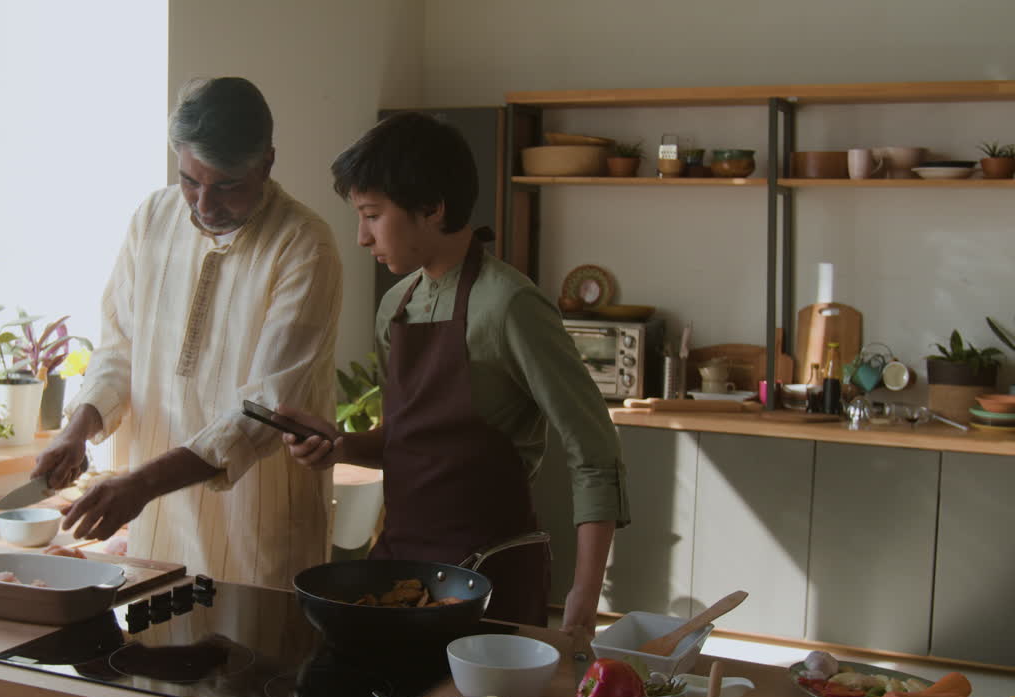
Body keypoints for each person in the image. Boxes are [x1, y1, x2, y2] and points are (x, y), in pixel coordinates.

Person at [277, 111, 628, 632]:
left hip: (490, 576)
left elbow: (596, 455)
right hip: (401, 568)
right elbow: (409, 441)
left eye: (372, 215)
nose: (361, 238)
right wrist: (341, 447)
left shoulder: (510, 306)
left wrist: (583, 595)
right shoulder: (396, 305)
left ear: (432, 208)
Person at [32, 77, 343, 589]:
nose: (203, 203)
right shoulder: (153, 219)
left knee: (258, 665)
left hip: (255, 526)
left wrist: (141, 483)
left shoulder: (304, 246)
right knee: (154, 658)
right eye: (190, 180)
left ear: (266, 163)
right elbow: (118, 350)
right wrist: (77, 429)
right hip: (156, 523)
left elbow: (263, 411)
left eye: (226, 186)